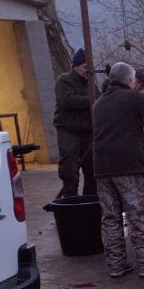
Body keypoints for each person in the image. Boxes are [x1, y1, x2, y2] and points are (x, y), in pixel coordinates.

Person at [93, 61, 144, 278]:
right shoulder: (133, 97)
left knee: (110, 218)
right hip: (128, 166)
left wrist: (136, 129)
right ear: (130, 81)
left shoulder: (99, 103)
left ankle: (116, 265)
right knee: (138, 215)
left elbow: (114, 127)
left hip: (101, 168)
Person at [53, 48, 95, 199]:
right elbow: (67, 100)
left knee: (92, 168)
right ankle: (71, 198)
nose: (87, 71)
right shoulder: (64, 80)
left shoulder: (90, 83)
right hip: (68, 130)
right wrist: (91, 100)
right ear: (76, 66)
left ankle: (90, 200)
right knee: (70, 167)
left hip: (88, 131)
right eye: (85, 67)